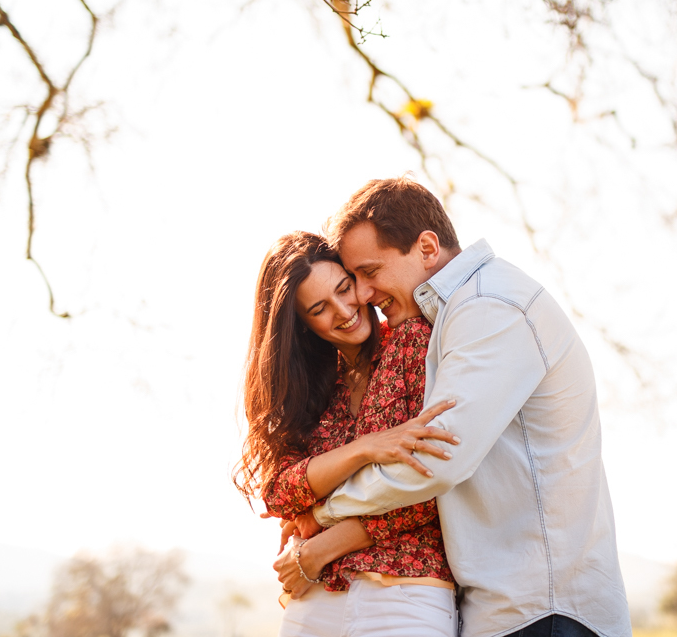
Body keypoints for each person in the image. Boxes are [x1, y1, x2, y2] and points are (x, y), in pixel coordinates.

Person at [312, 177, 632, 637]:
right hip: (514, 611)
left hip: (545, 612)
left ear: (426, 248)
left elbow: (438, 454)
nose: (362, 295)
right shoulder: (462, 310)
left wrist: (325, 513)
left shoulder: (489, 305)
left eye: (370, 272)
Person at [234, 231, 463, 637]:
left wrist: (319, 536)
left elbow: (428, 484)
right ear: (302, 326)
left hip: (405, 592)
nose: (345, 310)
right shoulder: (311, 389)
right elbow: (280, 493)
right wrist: (364, 450)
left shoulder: (411, 342)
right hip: (314, 596)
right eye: (320, 308)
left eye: (345, 288)